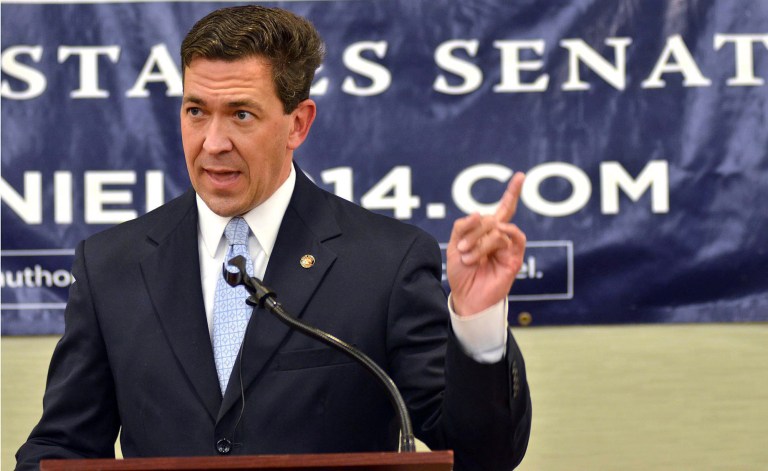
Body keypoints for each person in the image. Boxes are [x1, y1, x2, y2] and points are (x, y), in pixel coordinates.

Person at [16, 5, 531, 470]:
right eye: (196, 111)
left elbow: (481, 454)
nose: (213, 143)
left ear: (298, 124)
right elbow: (62, 447)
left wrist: (478, 319)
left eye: (241, 114)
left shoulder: (384, 263)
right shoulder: (111, 266)